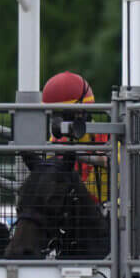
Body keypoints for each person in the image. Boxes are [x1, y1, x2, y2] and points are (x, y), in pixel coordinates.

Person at [41, 70, 109, 204]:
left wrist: (103, 159)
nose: (57, 120)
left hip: (101, 216)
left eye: (61, 113)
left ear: (80, 112)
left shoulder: (108, 141)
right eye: (55, 114)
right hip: (64, 214)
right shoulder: (53, 143)